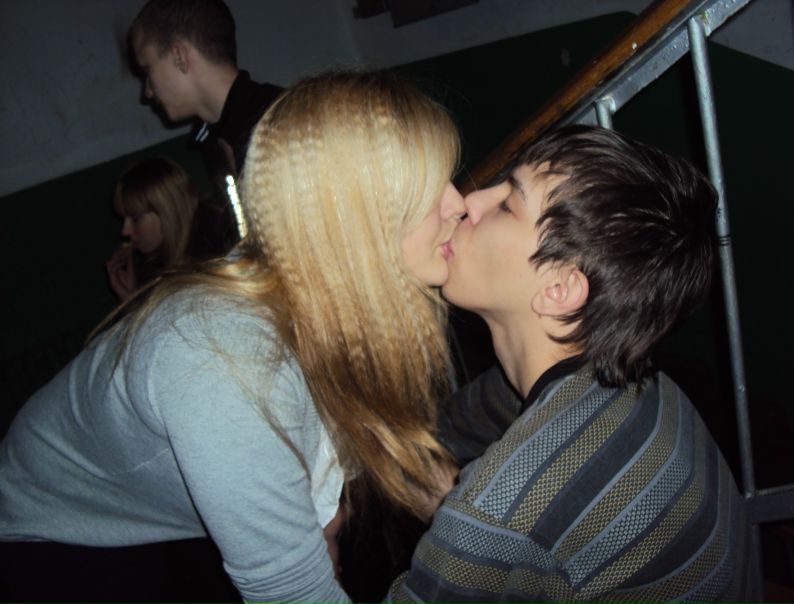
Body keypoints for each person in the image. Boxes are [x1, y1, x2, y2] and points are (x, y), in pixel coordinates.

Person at [0, 71, 464, 603]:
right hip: (52, 533)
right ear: (348, 214)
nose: (460, 204)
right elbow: (294, 594)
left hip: (145, 506)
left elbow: (381, 444)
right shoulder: (227, 361)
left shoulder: (326, 299)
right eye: (430, 187)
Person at [387, 125, 758, 603]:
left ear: (559, 290)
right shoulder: (628, 379)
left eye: (507, 205)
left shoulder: (501, 509)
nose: (468, 202)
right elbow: (439, 431)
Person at [129, 0, 284, 258]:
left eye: (147, 69)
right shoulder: (214, 136)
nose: (147, 92)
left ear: (179, 55)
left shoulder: (278, 120)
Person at [106, 157, 199, 301]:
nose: (125, 231)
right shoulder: (155, 271)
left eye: (135, 219)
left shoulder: (215, 261)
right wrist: (133, 298)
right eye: (124, 219)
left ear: (167, 211)